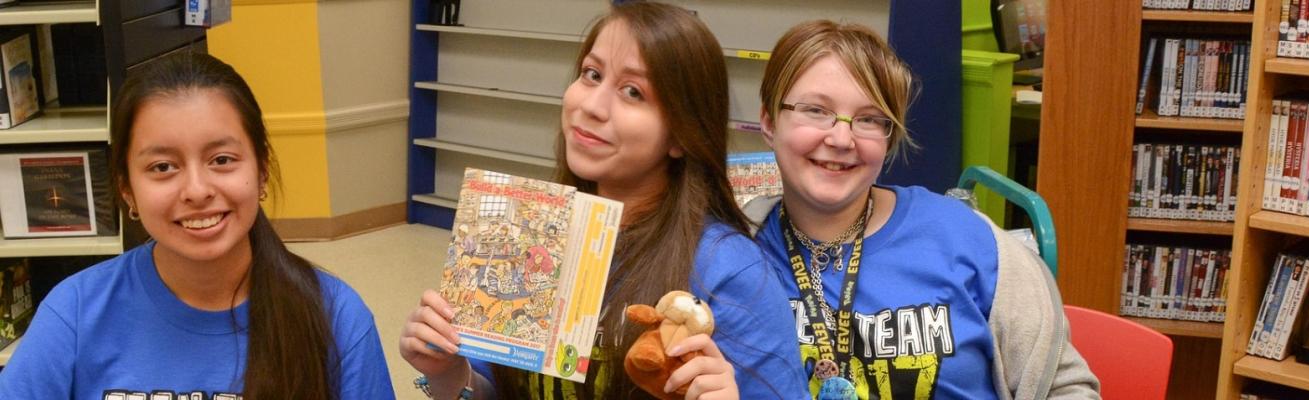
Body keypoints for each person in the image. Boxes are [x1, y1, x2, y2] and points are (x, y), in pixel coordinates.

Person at [398, 2, 806, 399]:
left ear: (682, 133)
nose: (591, 106)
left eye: (632, 92)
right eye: (591, 74)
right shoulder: (536, 233)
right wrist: (451, 374)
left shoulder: (728, 270)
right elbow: (498, 388)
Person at [0, 53, 394, 399]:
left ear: (261, 171)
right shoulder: (76, 312)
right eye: (162, 167)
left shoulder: (336, 317)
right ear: (127, 190)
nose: (197, 190)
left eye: (221, 159)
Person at [742, 20, 1101, 399]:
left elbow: (1066, 389)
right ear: (768, 121)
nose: (841, 138)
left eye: (868, 119)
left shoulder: (971, 243)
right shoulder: (732, 254)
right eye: (815, 110)